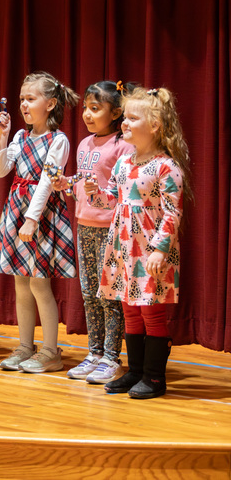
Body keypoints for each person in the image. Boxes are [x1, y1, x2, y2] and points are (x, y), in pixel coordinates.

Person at [85, 87, 189, 399]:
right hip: (123, 250)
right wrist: (94, 192)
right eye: (125, 117)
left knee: (150, 312)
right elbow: (112, 201)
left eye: (132, 117)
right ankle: (134, 371)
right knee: (130, 309)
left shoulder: (166, 167)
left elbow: (173, 211)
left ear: (155, 125)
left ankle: (155, 377)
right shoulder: (124, 162)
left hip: (149, 252)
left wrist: (160, 249)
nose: (125, 123)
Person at [0, 71, 78, 373]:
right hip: (15, 210)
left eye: (31, 99)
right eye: (21, 100)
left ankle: (51, 351)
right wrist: (2, 136)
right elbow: (0, 170)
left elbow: (45, 181)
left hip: (40, 215)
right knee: (20, 284)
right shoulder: (19, 136)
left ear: (51, 103)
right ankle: (25, 347)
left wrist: (31, 219)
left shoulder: (59, 140)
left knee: (40, 284)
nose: (24, 105)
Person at [53, 81, 134, 383]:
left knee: (109, 295)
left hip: (111, 229)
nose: (87, 114)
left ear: (115, 113)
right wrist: (68, 184)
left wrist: (96, 191)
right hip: (84, 225)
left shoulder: (123, 145)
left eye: (95, 109)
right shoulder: (85, 143)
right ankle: (94, 352)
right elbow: (84, 180)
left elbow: (121, 188)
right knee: (89, 293)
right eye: (86, 108)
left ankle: (112, 357)